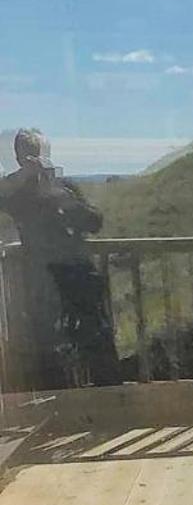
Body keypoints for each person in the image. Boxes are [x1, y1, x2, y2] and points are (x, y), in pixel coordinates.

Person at [0, 130, 120, 389]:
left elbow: (94, 221)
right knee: (48, 342)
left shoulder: (64, 187)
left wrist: (62, 198)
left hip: (77, 271)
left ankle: (110, 395)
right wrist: (25, 179)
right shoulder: (16, 191)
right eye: (26, 152)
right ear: (18, 157)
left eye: (37, 151)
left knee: (96, 335)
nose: (33, 158)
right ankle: (61, 399)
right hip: (44, 278)